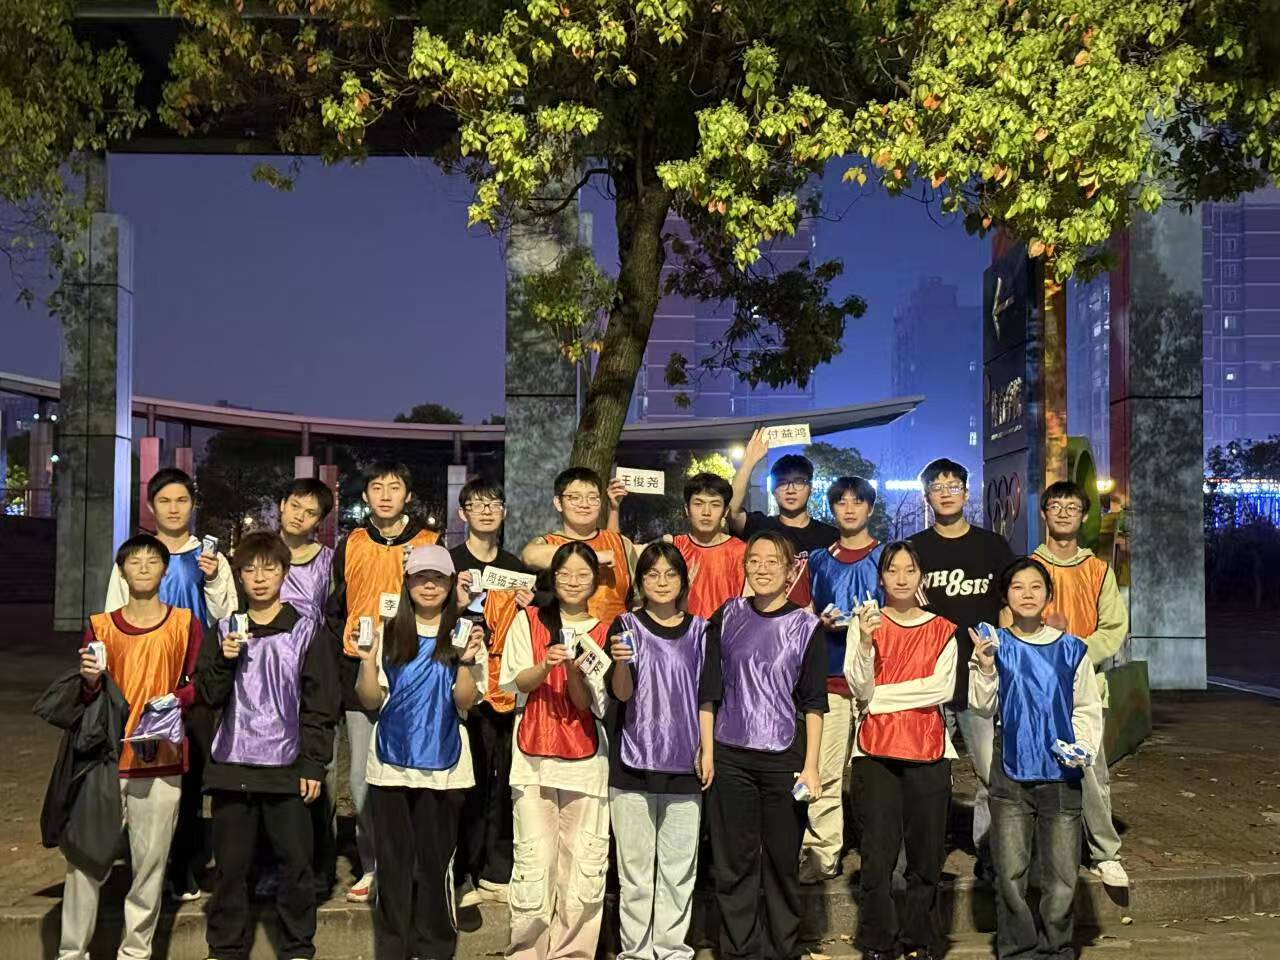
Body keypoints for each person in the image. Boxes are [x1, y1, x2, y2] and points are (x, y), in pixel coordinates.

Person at [197, 532, 340, 960]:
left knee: (295, 866)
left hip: (287, 767)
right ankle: (224, 948)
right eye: (249, 570)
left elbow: (320, 702)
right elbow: (208, 695)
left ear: (284, 573)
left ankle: (297, 947)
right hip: (233, 766)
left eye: (269, 569)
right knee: (231, 869)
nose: (259, 578)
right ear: (239, 576)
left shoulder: (306, 630)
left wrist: (313, 763)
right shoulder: (225, 629)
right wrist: (224, 660)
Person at [60, 534, 203, 960]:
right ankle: (72, 952)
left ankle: (135, 953)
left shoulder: (185, 624)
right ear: (121, 572)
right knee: (84, 863)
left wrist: (177, 699)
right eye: (134, 561)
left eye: (152, 561)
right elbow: (86, 696)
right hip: (104, 762)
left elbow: (198, 684)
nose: (143, 567)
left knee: (150, 868)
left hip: (161, 760)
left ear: (165, 570)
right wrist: (88, 681)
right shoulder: (100, 625)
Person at [105, 467, 234, 902]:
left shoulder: (210, 558)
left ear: (193, 506)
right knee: (142, 769)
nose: (173, 509)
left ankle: (184, 865)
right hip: (142, 677)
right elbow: (112, 618)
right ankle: (142, 862)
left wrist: (213, 579)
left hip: (193, 677)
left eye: (182, 500)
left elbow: (226, 616)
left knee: (190, 773)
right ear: (150, 506)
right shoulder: (136, 556)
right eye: (164, 501)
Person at [354, 545, 489, 960]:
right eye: (420, 577)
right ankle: (393, 948)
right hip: (390, 766)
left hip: (445, 768)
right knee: (392, 867)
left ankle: (435, 949)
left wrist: (465, 662)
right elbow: (370, 699)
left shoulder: (467, 634)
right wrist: (366, 660)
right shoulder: (388, 631)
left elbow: (465, 701)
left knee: (435, 865)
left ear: (450, 585)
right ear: (407, 582)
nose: (429, 586)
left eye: (438, 578)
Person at [969, 557, 1103, 960]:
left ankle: (1057, 948)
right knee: (1010, 873)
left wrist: (1083, 747)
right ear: (1005, 596)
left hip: (1062, 774)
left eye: (1035, 587)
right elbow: (981, 706)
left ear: (1048, 594)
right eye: (1017, 587)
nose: (1027, 594)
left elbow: (1087, 707)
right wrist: (986, 668)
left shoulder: (1072, 649)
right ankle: (1018, 949)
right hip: (1010, 772)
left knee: (1062, 875)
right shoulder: (994, 645)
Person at [707, 532, 825, 960]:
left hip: (783, 757)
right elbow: (710, 689)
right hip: (730, 754)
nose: (762, 568)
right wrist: (707, 752)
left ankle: (781, 948)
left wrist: (811, 767)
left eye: (773, 561)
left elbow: (814, 702)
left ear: (791, 570)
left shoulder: (806, 626)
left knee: (781, 861)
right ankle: (739, 949)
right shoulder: (727, 616)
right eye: (754, 560)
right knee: (733, 862)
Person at [328, 461, 440, 903]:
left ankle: (410, 864)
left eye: (395, 487)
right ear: (366, 496)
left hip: (414, 670)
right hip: (361, 666)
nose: (386, 495)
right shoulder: (351, 543)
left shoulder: (429, 543)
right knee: (360, 776)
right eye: (377, 487)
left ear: (408, 495)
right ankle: (372, 864)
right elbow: (337, 605)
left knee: (410, 770)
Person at [606, 542, 720, 960]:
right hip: (632, 762)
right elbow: (620, 694)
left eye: (670, 574)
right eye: (652, 574)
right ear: (640, 582)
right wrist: (621, 662)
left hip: (685, 763)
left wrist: (707, 752)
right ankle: (635, 951)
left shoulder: (702, 631)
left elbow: (707, 697)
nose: (661, 581)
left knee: (678, 869)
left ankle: (672, 950)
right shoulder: (624, 626)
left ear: (683, 582)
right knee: (635, 871)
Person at [499, 542, 612, 960]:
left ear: (595, 581)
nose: (574, 582)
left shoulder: (606, 630)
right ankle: (526, 952)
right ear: (553, 577)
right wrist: (547, 664)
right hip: (532, 758)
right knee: (534, 861)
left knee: (582, 866)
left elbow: (589, 704)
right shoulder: (529, 621)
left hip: (586, 762)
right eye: (565, 574)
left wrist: (574, 673)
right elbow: (517, 683)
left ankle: (572, 953)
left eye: (583, 574)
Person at [845, 541, 956, 960]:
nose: (902, 578)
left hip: (928, 750)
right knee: (877, 855)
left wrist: (880, 699)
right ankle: (878, 941)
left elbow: (940, 689)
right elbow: (859, 687)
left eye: (910, 569)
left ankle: (920, 939)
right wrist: (866, 643)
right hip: (874, 753)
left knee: (926, 856)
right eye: (893, 570)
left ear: (921, 575)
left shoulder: (943, 629)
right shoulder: (866, 622)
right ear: (881, 577)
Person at [908, 457, 1014, 877]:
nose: (946, 493)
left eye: (954, 486)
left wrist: (1002, 656)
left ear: (967, 493)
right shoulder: (915, 548)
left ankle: (990, 855)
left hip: (979, 674)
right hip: (931, 676)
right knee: (928, 773)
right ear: (927, 496)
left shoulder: (992, 547)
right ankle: (926, 855)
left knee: (990, 772)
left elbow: (1007, 605)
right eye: (937, 487)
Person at [1033, 480, 1131, 888]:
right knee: (1036, 772)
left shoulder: (1097, 570)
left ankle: (1104, 853)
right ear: (1044, 514)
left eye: (1071, 507)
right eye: (1055, 506)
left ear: (1084, 516)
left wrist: (1071, 655)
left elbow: (1114, 628)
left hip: (1086, 688)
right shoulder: (1029, 567)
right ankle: (1041, 856)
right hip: (1036, 688)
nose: (1063, 513)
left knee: (1091, 772)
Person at [449, 477, 535, 907]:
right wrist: (457, 603)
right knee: (470, 779)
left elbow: (528, 627)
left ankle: (496, 869)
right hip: (465, 685)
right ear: (462, 513)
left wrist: (527, 606)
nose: (486, 510)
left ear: (504, 513)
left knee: (506, 780)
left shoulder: (515, 567)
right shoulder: (451, 563)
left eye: (494, 503)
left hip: (507, 686)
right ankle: (462, 869)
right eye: (477, 504)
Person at [801, 475, 885, 884]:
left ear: (870, 507)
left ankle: (882, 855)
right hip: (831, 679)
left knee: (878, 777)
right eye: (841, 502)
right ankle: (821, 854)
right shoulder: (817, 560)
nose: (849, 509)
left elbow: (911, 611)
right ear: (831, 509)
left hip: (878, 681)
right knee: (825, 770)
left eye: (857, 501)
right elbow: (799, 617)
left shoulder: (888, 556)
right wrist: (817, 622)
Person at [274, 477, 340, 899]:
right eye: (295, 506)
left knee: (320, 770)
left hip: (313, 670)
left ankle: (321, 865)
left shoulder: (329, 561)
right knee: (271, 767)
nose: (300, 516)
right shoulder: (262, 554)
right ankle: (274, 864)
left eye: (311, 512)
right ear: (282, 505)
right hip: (266, 672)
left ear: (320, 521)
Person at [727, 430, 837, 607]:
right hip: (765, 619)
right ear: (773, 489)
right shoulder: (760, 527)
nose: (790, 490)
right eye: (782, 482)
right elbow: (731, 510)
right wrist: (749, 461)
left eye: (799, 482)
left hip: (814, 621)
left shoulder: (830, 537)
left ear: (810, 488)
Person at [521, 467, 637, 626]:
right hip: (561, 637)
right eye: (574, 498)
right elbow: (529, 556)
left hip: (615, 637)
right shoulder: (547, 542)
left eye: (592, 498)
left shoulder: (621, 544)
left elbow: (640, 599)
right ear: (558, 503)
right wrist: (593, 556)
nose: (584, 504)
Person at [670, 473, 747, 618]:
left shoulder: (741, 552)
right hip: (681, 630)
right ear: (687, 509)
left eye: (715, 505)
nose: (706, 512)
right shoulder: (673, 548)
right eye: (698, 504)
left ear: (725, 511)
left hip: (727, 630)